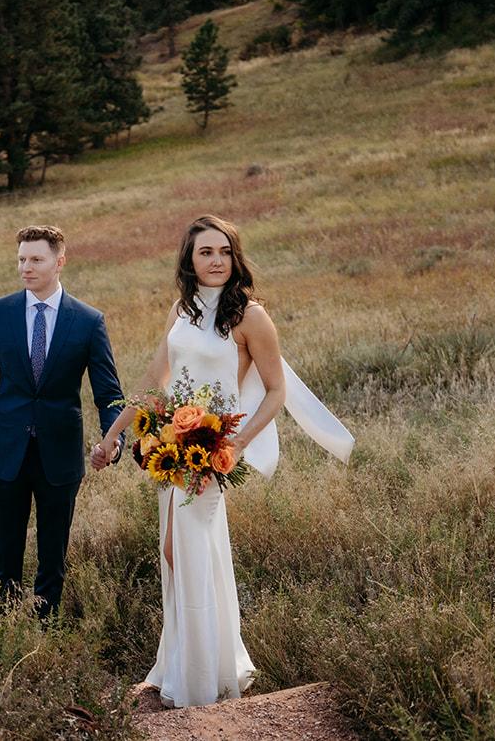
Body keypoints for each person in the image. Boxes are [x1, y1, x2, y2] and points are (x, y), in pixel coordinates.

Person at [92, 214, 354, 708]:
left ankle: (196, 686)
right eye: (205, 252)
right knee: (175, 554)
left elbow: (275, 392)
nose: (216, 261)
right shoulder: (181, 309)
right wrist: (112, 438)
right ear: (189, 261)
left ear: (236, 257)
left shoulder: (249, 317)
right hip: (172, 448)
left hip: (211, 452)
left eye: (224, 252)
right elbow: (156, 379)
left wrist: (235, 444)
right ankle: (182, 667)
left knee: (187, 552)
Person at [0, 224, 125, 619]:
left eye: (36, 259)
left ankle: (45, 626)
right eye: (21, 259)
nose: (26, 267)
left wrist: (114, 439)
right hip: (5, 455)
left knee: (53, 552)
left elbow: (108, 394)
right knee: (7, 553)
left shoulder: (88, 321)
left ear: (60, 262)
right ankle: (4, 625)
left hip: (60, 457)